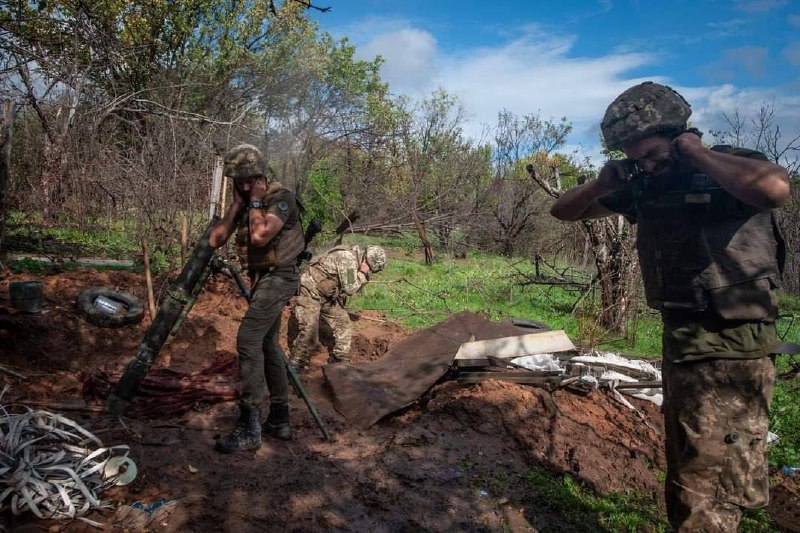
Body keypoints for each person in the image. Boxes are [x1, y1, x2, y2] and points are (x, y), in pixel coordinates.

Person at [549, 81, 790, 531]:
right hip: (683, 344)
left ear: (681, 136)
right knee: (688, 469)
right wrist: (602, 183)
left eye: (654, 153)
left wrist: (698, 155)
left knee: (711, 482)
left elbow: (775, 190)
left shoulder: (729, 168)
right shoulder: (645, 185)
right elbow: (564, 211)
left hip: (732, 350)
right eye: (634, 156)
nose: (647, 164)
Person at [208, 144, 305, 453]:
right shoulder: (247, 199)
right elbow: (215, 239)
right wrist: (238, 204)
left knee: (248, 339)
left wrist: (256, 201)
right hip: (264, 279)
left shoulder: (280, 198)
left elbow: (260, 236)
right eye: (240, 181)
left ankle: (249, 425)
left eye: (251, 180)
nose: (246, 185)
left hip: (280, 278)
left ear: (261, 176)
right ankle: (279, 419)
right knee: (267, 345)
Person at [289, 244, 386, 369]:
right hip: (310, 291)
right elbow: (350, 288)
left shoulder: (356, 259)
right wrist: (362, 273)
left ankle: (340, 358)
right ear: (366, 261)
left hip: (327, 295)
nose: (370, 271)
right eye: (371, 269)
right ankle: (296, 362)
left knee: (343, 323)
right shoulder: (348, 258)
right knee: (310, 330)